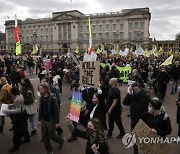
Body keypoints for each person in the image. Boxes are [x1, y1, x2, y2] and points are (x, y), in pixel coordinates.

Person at [123, 81, 151, 154]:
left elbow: (151, 106)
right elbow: (124, 102)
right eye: (134, 90)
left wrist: (145, 113)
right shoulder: (132, 96)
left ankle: (146, 151)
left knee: (144, 138)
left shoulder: (146, 96)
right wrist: (129, 93)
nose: (135, 91)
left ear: (140, 88)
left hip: (143, 120)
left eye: (137, 89)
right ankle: (135, 151)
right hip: (134, 119)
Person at [38, 82, 64, 154]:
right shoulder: (41, 98)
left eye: (41, 89)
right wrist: (39, 120)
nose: (40, 91)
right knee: (44, 137)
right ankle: (49, 150)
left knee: (52, 136)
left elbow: (57, 111)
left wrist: (57, 122)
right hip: (44, 120)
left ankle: (61, 140)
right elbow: (40, 110)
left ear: (46, 89)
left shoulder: (53, 98)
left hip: (51, 121)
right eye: (39, 89)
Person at [3, 86, 29, 153]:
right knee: (24, 127)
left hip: (19, 116)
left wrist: (8, 111)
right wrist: (13, 105)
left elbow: (18, 110)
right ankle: (27, 138)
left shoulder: (16, 99)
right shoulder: (20, 96)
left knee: (16, 132)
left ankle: (16, 146)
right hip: (24, 113)